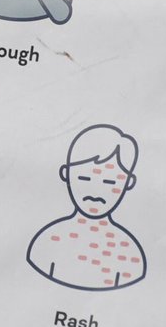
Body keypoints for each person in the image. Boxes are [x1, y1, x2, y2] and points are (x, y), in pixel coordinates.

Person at [27, 124, 146, 291]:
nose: (95, 191)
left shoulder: (128, 254)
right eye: (84, 178)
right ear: (66, 174)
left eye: (109, 182)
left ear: (129, 183)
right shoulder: (49, 241)